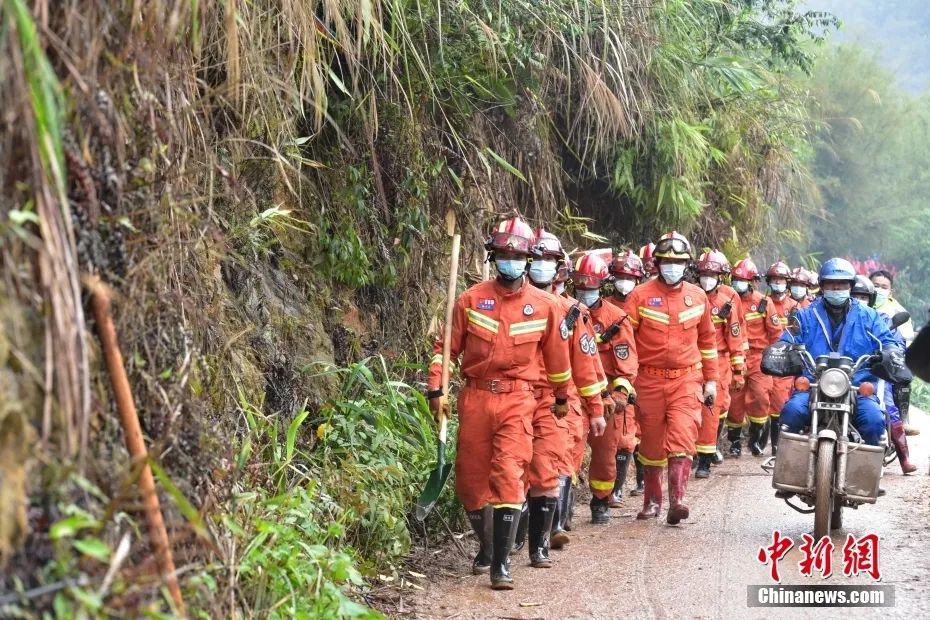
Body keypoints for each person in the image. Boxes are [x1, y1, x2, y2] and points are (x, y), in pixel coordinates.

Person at [427, 217, 573, 590]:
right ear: (494, 257)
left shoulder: (545, 306)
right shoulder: (470, 300)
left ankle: (501, 566)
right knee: (471, 483)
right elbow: (445, 349)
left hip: (518, 400)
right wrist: (436, 389)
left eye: (519, 254)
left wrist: (560, 399)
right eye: (505, 254)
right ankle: (489, 546)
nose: (512, 260)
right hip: (474, 397)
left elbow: (558, 361)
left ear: (529, 257)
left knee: (510, 474)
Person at [522, 230, 608, 559]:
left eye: (549, 262)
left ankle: (550, 529)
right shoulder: (510, 304)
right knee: (513, 464)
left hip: (559, 399)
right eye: (537, 260)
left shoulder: (572, 312)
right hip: (517, 395)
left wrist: (596, 408)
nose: (542, 267)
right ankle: (516, 536)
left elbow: (585, 366)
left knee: (557, 460)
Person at [624, 232, 718, 524]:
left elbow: (707, 341)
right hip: (648, 381)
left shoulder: (698, 297)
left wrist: (711, 381)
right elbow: (626, 343)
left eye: (678, 262)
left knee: (682, 436)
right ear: (657, 263)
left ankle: (677, 500)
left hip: (687, 380)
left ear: (687, 265)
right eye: (666, 261)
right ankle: (652, 501)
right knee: (651, 444)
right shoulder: (639, 296)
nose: (672, 267)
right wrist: (625, 380)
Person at [778, 259, 901, 447]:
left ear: (850, 286)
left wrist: (889, 352)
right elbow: (788, 337)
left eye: (842, 283)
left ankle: (866, 471)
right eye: (831, 283)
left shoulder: (869, 316)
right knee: (792, 412)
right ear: (822, 286)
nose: (837, 288)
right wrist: (782, 349)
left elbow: (887, 340)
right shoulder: (804, 315)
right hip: (813, 384)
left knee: (874, 421)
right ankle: (786, 461)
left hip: (857, 386)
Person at [573, 253, 638, 523]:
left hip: (605, 393)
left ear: (601, 286)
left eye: (590, 288)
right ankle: (559, 511)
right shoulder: (565, 311)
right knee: (566, 449)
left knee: (604, 453)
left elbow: (626, 364)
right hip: (573, 391)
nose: (585, 293)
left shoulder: (617, 319)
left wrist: (619, 394)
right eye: (580, 288)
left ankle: (600, 502)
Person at [851, 276, 916, 473]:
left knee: (887, 403)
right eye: (856, 295)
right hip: (845, 370)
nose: (859, 299)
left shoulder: (885, 316)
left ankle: (904, 458)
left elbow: (897, 342)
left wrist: (889, 354)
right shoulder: (840, 313)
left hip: (877, 369)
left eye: (864, 296)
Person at [693, 250, 746, 477]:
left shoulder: (727, 303)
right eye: (704, 274)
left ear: (721, 276)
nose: (707, 278)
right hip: (692, 360)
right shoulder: (690, 298)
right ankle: (693, 453)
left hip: (719, 359)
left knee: (715, 408)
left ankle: (706, 457)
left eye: (712, 274)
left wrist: (737, 370)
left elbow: (735, 338)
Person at [726, 258, 782, 456]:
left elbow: (776, 333)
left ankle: (755, 438)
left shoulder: (762, 303)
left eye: (741, 279)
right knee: (734, 401)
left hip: (759, 358)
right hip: (734, 357)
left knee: (759, 397)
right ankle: (733, 442)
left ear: (751, 281)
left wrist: (774, 358)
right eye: (735, 279)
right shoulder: (728, 301)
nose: (737, 283)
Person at [605, 250, 645, 505]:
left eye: (629, 277)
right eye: (619, 276)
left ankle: (637, 482)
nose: (624, 282)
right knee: (621, 432)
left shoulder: (645, 303)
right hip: (613, 376)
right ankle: (612, 489)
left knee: (639, 430)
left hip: (642, 373)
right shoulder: (604, 306)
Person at [869, 269, 918, 437]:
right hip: (857, 355)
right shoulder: (859, 302)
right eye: (875, 285)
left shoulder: (897, 311)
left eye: (884, 286)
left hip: (886, 357)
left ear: (891, 290)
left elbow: (904, 340)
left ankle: (903, 422)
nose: (879, 289)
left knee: (895, 386)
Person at [764, 261, 796, 455]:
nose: (778, 283)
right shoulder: (763, 303)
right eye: (775, 280)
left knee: (783, 401)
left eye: (781, 280)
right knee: (766, 401)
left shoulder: (794, 306)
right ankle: (768, 441)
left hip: (789, 357)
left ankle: (778, 443)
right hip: (768, 355)